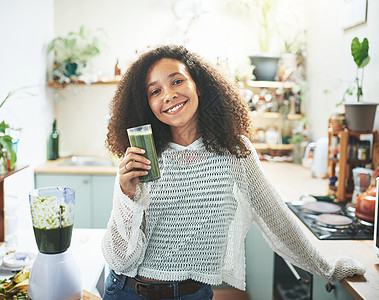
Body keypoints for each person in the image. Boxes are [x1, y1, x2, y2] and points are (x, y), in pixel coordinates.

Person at [102, 45, 365, 300]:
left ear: (199, 86)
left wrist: (326, 269)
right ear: (146, 104)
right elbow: (119, 258)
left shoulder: (235, 152)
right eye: (155, 91)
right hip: (129, 292)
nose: (168, 95)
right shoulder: (141, 157)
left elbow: (277, 218)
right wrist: (127, 196)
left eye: (177, 82)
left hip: (195, 294)